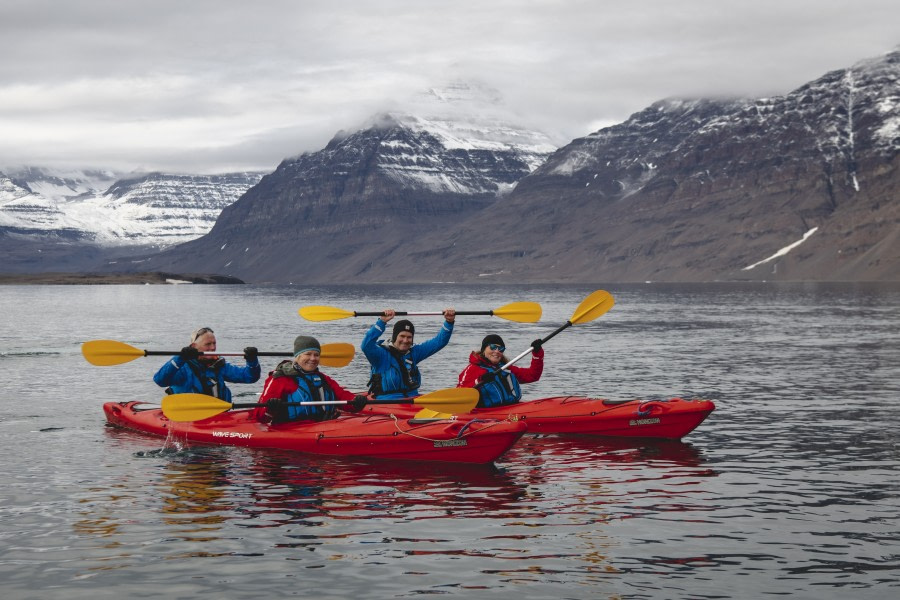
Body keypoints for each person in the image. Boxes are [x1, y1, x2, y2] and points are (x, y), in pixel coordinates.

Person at [255, 335, 367, 423]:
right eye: (308, 354)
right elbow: (260, 416)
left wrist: (356, 401)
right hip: (292, 429)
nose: (313, 359)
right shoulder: (280, 379)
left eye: (316, 355)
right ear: (298, 356)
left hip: (325, 425)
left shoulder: (324, 379)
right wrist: (270, 409)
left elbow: (343, 397)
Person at [361, 308, 456, 399]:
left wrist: (449, 322)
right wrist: (382, 322)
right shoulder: (380, 355)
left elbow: (439, 342)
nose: (405, 340)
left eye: (409, 337)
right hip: (387, 401)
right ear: (394, 337)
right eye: (402, 336)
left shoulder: (414, 352)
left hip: (413, 399)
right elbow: (366, 345)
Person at [153, 326, 261, 402]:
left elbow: (250, 377)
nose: (213, 348)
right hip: (191, 417)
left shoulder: (219, 365)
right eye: (208, 344)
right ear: (194, 346)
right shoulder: (183, 367)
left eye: (214, 343)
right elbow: (160, 380)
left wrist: (252, 360)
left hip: (218, 417)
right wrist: (180, 358)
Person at [457, 334, 544, 408]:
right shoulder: (472, 369)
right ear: (484, 349)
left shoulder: (505, 368)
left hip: (511, 409)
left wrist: (537, 354)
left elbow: (533, 375)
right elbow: (460, 393)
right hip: (487, 414)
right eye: (493, 347)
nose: (497, 351)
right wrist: (479, 381)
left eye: (501, 349)